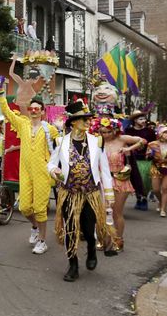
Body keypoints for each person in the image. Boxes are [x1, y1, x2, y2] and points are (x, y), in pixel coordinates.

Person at [48, 99, 116, 282]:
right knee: (70, 229)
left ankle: (92, 249)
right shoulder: (60, 141)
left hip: (90, 193)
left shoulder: (97, 142)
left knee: (88, 229)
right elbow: (51, 163)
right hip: (69, 193)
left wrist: (109, 194)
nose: (89, 122)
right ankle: (73, 264)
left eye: (88, 119)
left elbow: (105, 169)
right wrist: (54, 171)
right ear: (73, 122)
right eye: (84, 119)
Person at [0, 81, 60, 255]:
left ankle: (42, 241)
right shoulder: (23, 124)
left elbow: (60, 149)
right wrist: (1, 92)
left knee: (40, 209)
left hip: (42, 173)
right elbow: (6, 112)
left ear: (42, 112)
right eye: (31, 108)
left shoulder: (50, 130)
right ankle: (34, 227)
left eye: (37, 109)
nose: (33, 111)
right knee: (25, 207)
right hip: (25, 172)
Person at [96, 115, 145, 251]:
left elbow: (142, 140)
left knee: (117, 212)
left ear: (115, 130)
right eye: (103, 132)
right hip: (103, 181)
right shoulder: (97, 142)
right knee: (103, 211)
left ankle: (118, 240)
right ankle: (104, 239)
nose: (105, 135)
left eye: (108, 132)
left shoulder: (122, 139)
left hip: (120, 180)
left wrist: (129, 149)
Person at [124, 110, 155, 211]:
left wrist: (151, 151)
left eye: (144, 118)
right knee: (135, 179)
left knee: (145, 180)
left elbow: (154, 143)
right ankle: (139, 198)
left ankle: (144, 199)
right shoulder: (128, 131)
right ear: (135, 120)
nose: (143, 121)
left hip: (145, 159)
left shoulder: (149, 131)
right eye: (140, 119)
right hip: (132, 158)